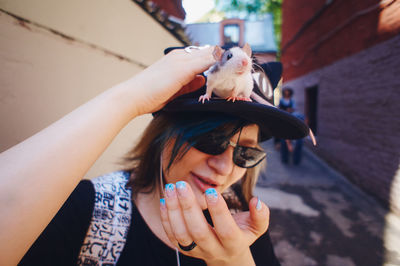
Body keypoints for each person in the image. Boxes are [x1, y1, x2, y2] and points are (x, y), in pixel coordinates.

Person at [0, 46, 309, 265]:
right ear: (165, 133)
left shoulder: (245, 227)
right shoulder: (89, 211)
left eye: (245, 153)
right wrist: (128, 98)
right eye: (211, 139)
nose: (224, 166)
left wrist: (235, 261)